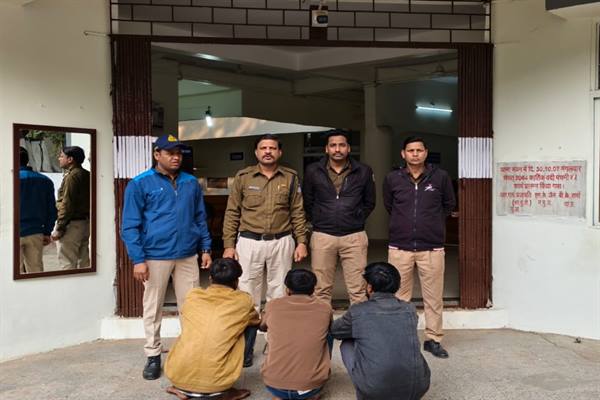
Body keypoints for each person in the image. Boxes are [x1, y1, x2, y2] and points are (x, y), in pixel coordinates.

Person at [121, 134, 212, 380]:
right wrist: (138, 259)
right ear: (157, 154)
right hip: (155, 256)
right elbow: (130, 225)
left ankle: (190, 352)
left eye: (179, 153)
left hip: (187, 254)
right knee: (153, 306)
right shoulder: (140, 184)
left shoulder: (190, 183)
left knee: (191, 306)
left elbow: (199, 217)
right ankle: (153, 354)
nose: (176, 157)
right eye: (170, 153)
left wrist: (205, 248)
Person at [222, 133, 308, 366]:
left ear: (279, 152)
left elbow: (297, 211)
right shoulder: (243, 177)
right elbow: (232, 212)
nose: (268, 151)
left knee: (278, 294)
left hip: (282, 240)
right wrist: (229, 245)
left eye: (272, 148)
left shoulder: (290, 177)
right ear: (256, 152)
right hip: (249, 242)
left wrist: (301, 241)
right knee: (247, 295)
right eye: (263, 148)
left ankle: (275, 345)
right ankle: (247, 347)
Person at [383, 136, 456, 358]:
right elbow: (389, 205)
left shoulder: (440, 177)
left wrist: (431, 223)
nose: (415, 154)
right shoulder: (393, 178)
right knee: (399, 298)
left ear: (425, 153)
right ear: (403, 154)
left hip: (431, 248)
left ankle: (433, 339)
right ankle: (401, 340)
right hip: (400, 247)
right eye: (410, 150)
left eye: (419, 150)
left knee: (433, 298)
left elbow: (448, 205)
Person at [331, 262, 430, 400]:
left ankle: (365, 393)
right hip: (418, 387)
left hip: (375, 391)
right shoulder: (410, 309)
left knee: (347, 343)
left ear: (369, 287)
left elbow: (336, 331)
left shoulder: (358, 311)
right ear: (397, 286)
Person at [164, 258, 258, 400]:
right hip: (218, 385)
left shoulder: (193, 295)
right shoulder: (244, 300)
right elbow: (256, 321)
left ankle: (183, 388)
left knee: (196, 329)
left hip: (176, 375)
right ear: (237, 282)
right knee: (249, 325)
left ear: (210, 279)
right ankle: (228, 387)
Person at [302, 129, 375, 305]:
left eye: (342, 145)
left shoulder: (363, 171)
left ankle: (358, 323)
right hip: (323, 235)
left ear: (348, 148)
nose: (337, 149)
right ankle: (322, 323)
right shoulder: (313, 170)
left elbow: (370, 202)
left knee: (358, 289)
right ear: (326, 149)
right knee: (321, 289)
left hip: (354, 235)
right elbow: (307, 201)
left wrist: (356, 218)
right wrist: (319, 218)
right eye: (333, 145)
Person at [260, 269, 332, 400]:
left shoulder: (272, 305)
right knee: (329, 333)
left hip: (274, 384)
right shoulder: (325, 307)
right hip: (311, 386)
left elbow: (262, 327)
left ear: (287, 289)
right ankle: (311, 393)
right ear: (313, 290)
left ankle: (281, 396)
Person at [51, 145, 90, 269]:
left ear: (70, 159)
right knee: (83, 261)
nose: (59, 158)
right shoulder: (86, 174)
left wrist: (60, 226)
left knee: (67, 262)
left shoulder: (73, 176)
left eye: (62, 156)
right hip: (85, 222)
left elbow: (67, 203)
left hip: (71, 224)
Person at [19, 146, 56, 273]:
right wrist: (47, 231)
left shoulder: (6, 180)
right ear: (27, 160)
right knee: (36, 271)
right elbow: (51, 209)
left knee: (12, 273)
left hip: (12, 232)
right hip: (36, 232)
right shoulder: (45, 180)